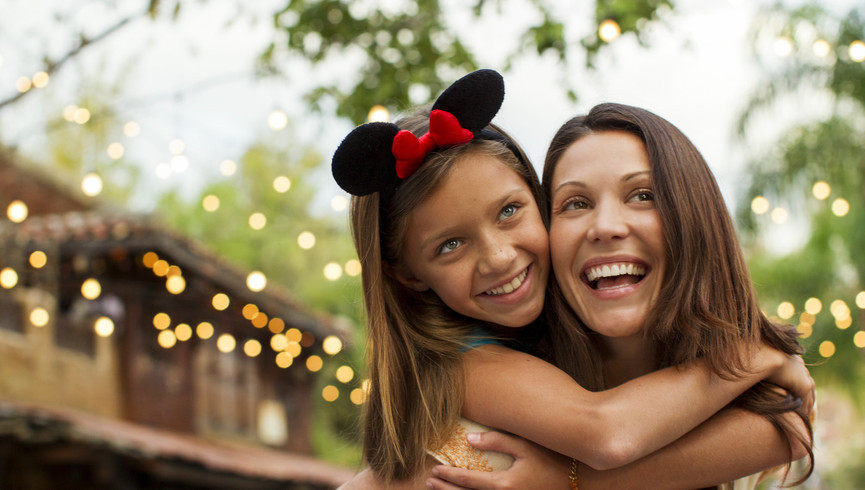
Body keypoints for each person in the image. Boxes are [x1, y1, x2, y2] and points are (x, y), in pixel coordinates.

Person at [331, 71, 813, 489]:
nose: (499, 258)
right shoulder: (463, 367)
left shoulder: (728, 393)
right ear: (408, 274)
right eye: (450, 245)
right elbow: (606, 434)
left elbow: (790, 431)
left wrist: (571, 481)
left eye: (509, 211)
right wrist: (754, 354)